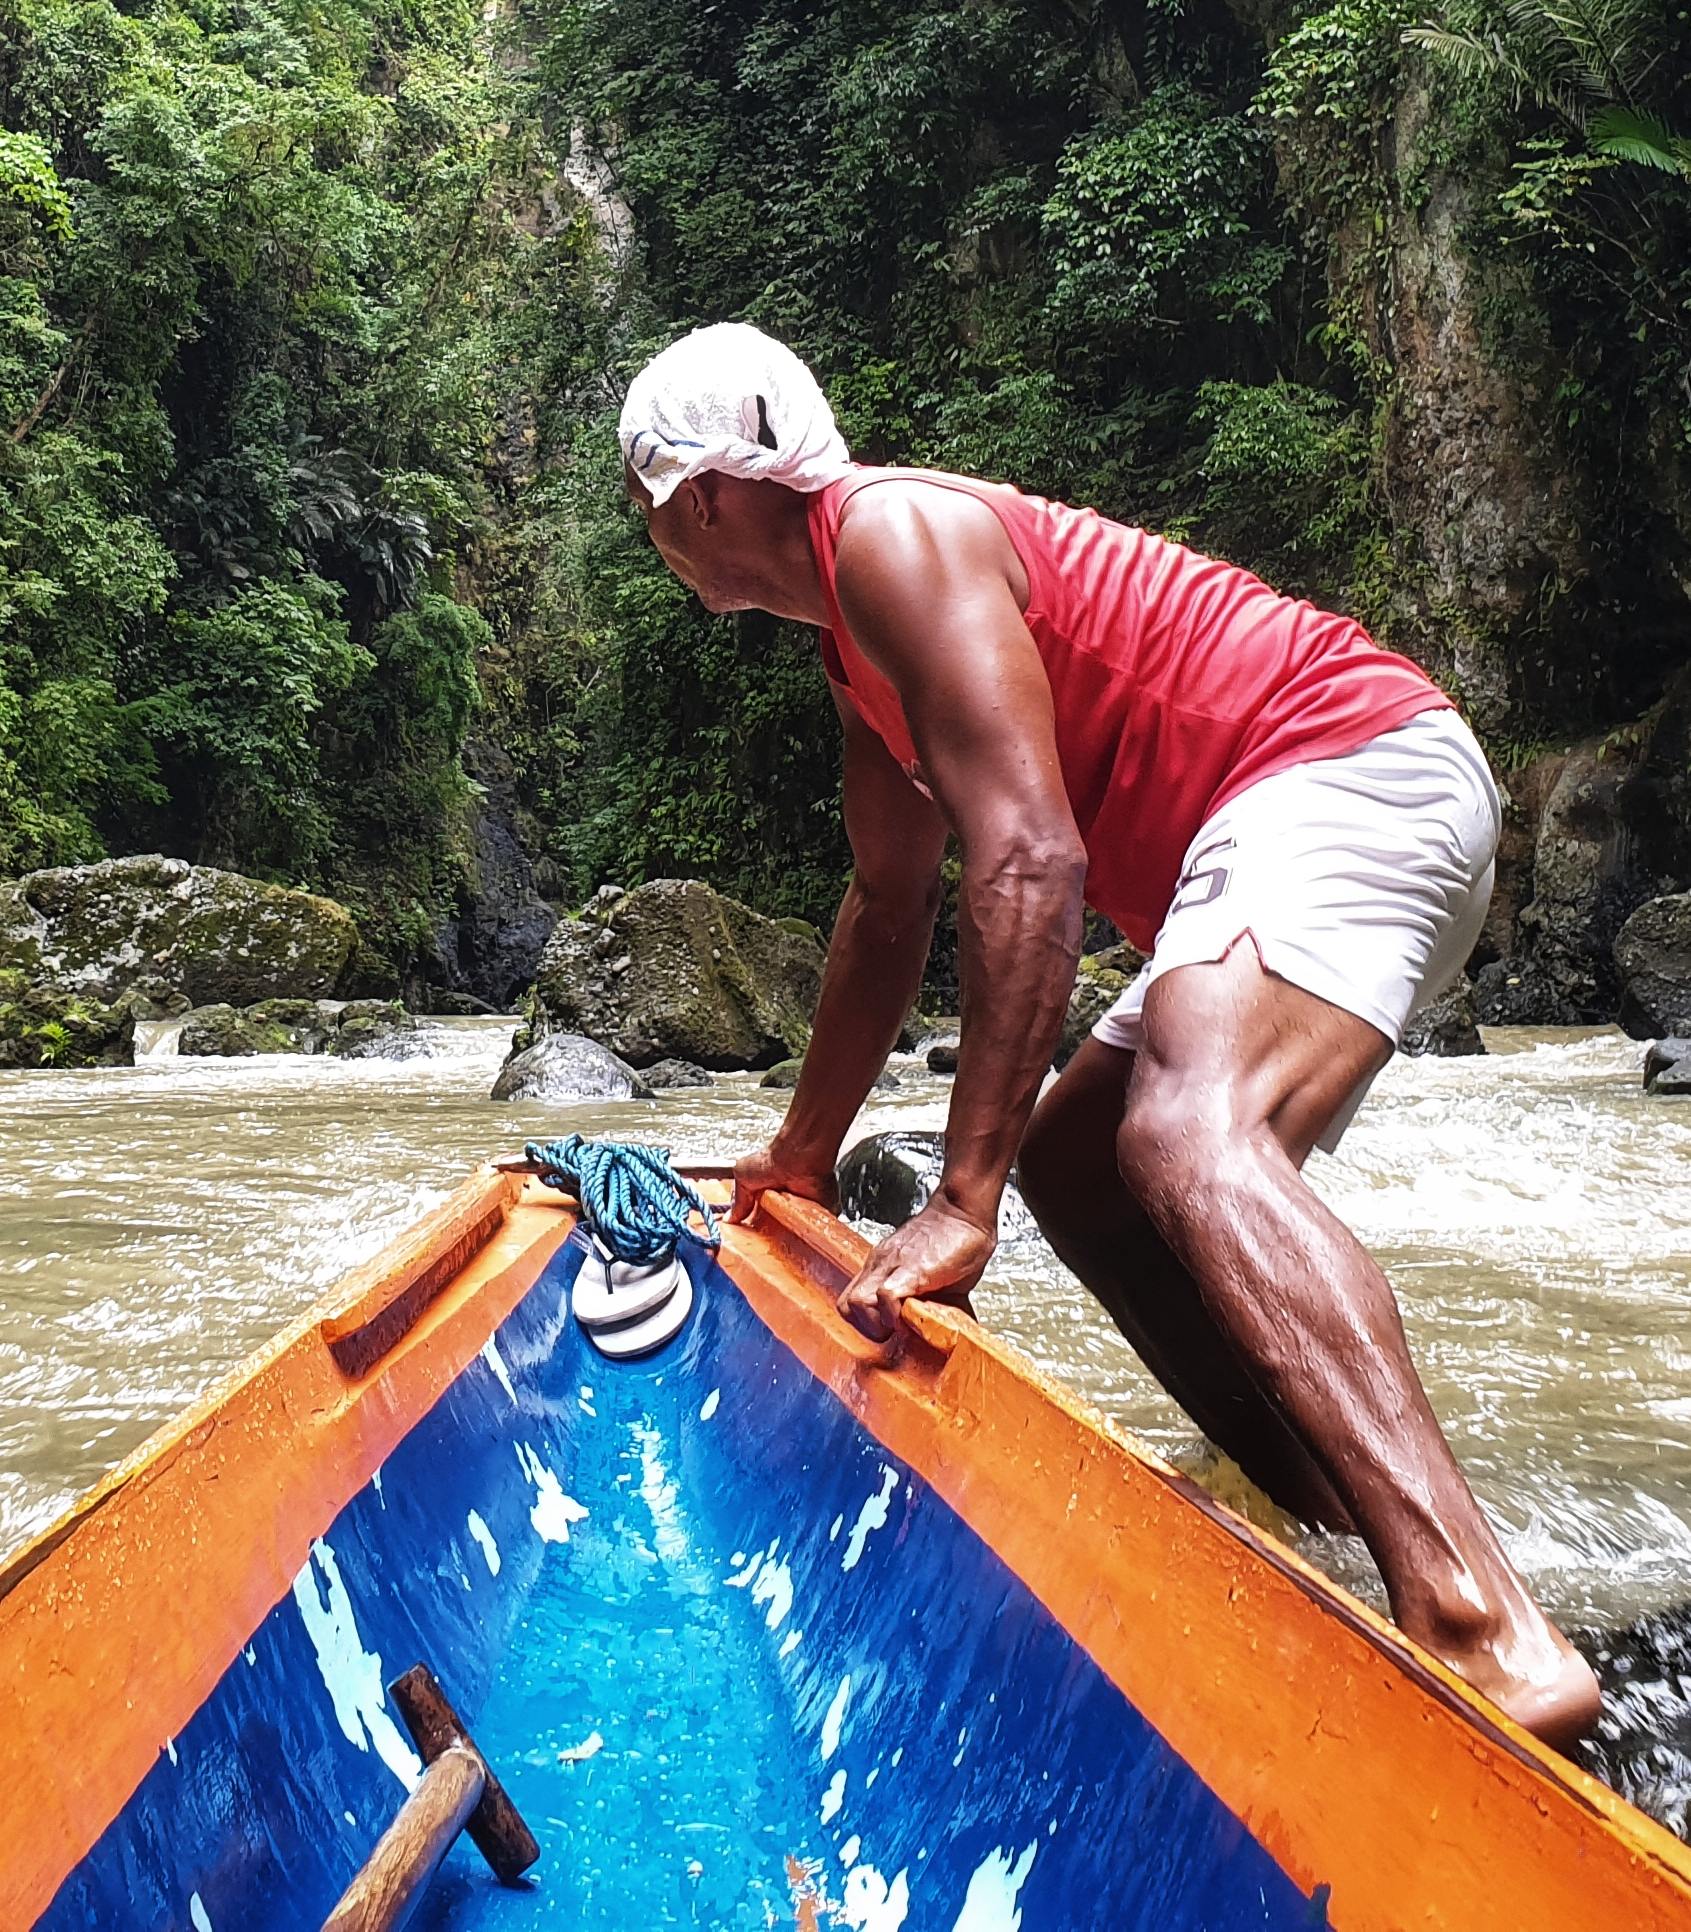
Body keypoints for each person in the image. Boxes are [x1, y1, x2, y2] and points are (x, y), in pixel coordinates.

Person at [618, 320, 1600, 1745]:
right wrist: (800, 1157)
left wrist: (961, 1202)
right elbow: (889, 912)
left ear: (699, 496)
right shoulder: (856, 644)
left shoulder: (893, 538)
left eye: (645, 509)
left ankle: (1480, 1625)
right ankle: (1331, 1524)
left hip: (1347, 764)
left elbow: (1029, 861)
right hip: (1289, 815)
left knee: (1190, 1128)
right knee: (1083, 1163)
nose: (655, 540)